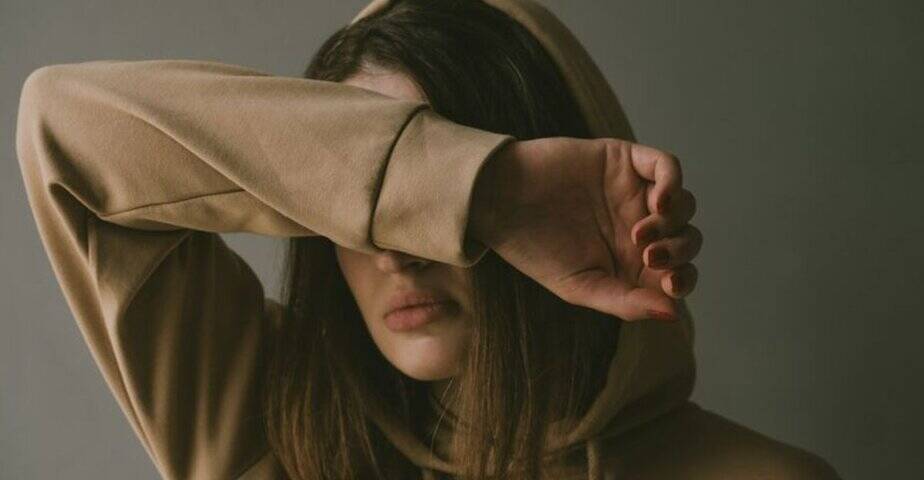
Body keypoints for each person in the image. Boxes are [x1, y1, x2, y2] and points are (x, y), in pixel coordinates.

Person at [14, 0, 840, 479]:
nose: (395, 252)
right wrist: (488, 193)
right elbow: (62, 123)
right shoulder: (279, 434)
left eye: (422, 214)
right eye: (370, 210)